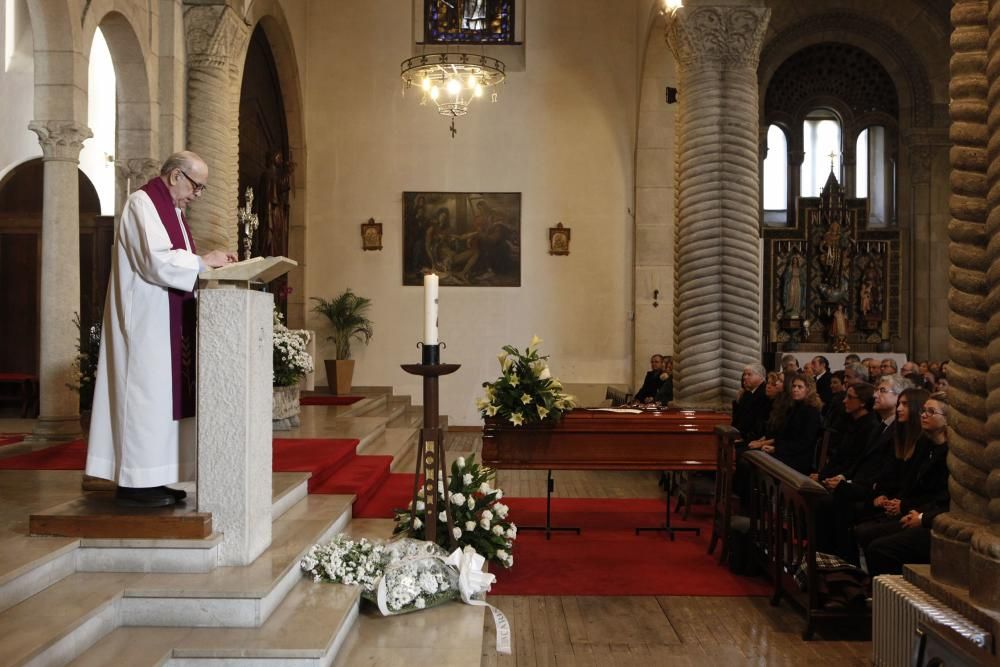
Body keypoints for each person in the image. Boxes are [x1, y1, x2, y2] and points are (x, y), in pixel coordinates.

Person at [85, 151, 237, 507]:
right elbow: (155, 260)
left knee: (162, 403)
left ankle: (154, 475)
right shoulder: (142, 204)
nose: (197, 195)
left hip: (166, 320)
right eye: (196, 186)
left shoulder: (173, 213)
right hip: (146, 324)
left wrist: (207, 266)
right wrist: (203, 261)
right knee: (146, 400)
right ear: (175, 176)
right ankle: (136, 483)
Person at [865, 394, 951, 576]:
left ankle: (889, 595)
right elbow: (909, 483)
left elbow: (943, 499)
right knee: (865, 531)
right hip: (915, 510)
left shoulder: (951, 455)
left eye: (931, 412)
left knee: (880, 546)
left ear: (946, 420)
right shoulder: (925, 445)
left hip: (934, 520)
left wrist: (919, 516)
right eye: (923, 411)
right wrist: (898, 503)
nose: (924, 415)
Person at [746, 372, 823, 475]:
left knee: (751, 464)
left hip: (798, 458)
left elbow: (804, 442)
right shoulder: (794, 407)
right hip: (785, 452)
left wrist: (776, 449)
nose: (795, 389)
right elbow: (782, 434)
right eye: (794, 386)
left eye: (800, 387)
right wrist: (770, 445)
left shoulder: (812, 412)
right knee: (749, 458)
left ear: (808, 390)